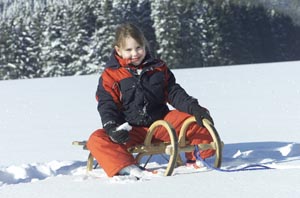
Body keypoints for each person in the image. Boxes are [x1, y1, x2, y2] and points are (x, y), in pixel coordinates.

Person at [87, 23, 215, 178]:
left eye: (139, 47)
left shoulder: (158, 67)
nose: (135, 53)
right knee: (96, 139)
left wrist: (194, 108)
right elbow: (107, 104)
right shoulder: (111, 75)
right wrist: (112, 127)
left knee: (196, 119)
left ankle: (198, 158)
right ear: (118, 50)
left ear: (145, 46)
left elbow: (174, 92)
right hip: (130, 130)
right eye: (128, 50)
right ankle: (127, 167)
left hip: (161, 124)